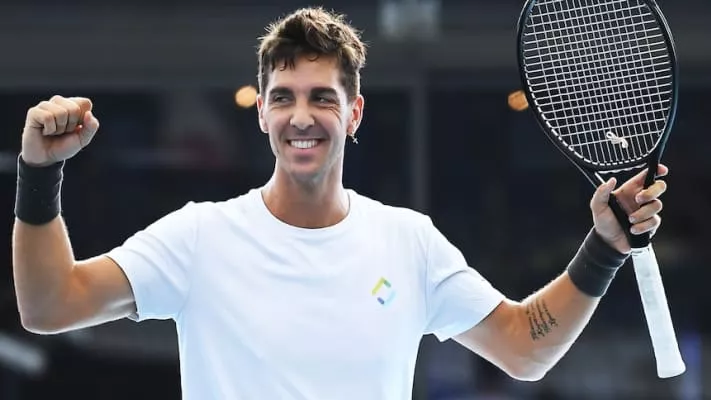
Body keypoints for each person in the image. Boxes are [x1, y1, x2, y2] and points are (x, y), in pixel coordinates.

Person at [12, 7, 668, 400]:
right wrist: (40, 173)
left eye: (322, 98)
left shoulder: (409, 243)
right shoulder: (197, 237)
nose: (301, 116)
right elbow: (49, 305)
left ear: (353, 114)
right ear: (262, 113)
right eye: (283, 98)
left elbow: (525, 349)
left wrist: (603, 249)